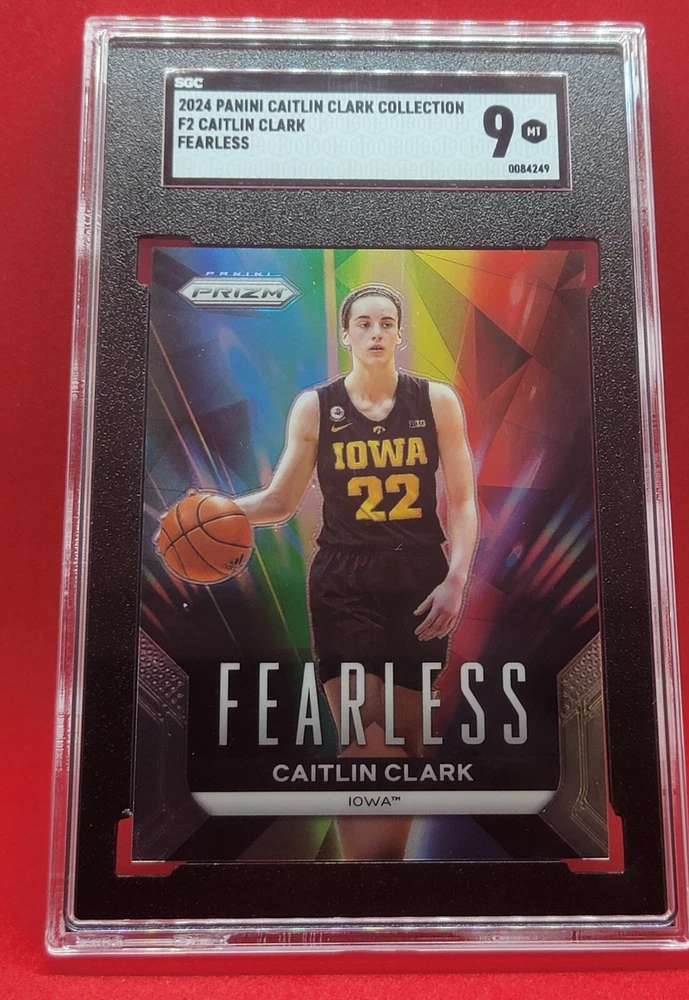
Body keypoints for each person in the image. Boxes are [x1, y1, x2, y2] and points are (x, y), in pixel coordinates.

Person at [170, 283, 478, 859]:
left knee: (406, 747)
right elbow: (280, 500)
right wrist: (217, 511)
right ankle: (360, 876)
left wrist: (457, 578)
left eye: (386, 323)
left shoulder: (437, 402)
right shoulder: (316, 406)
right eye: (364, 323)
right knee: (364, 741)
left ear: (399, 333)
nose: (376, 333)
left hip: (419, 577)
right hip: (343, 580)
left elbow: (462, 502)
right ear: (345, 334)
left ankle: (388, 872)